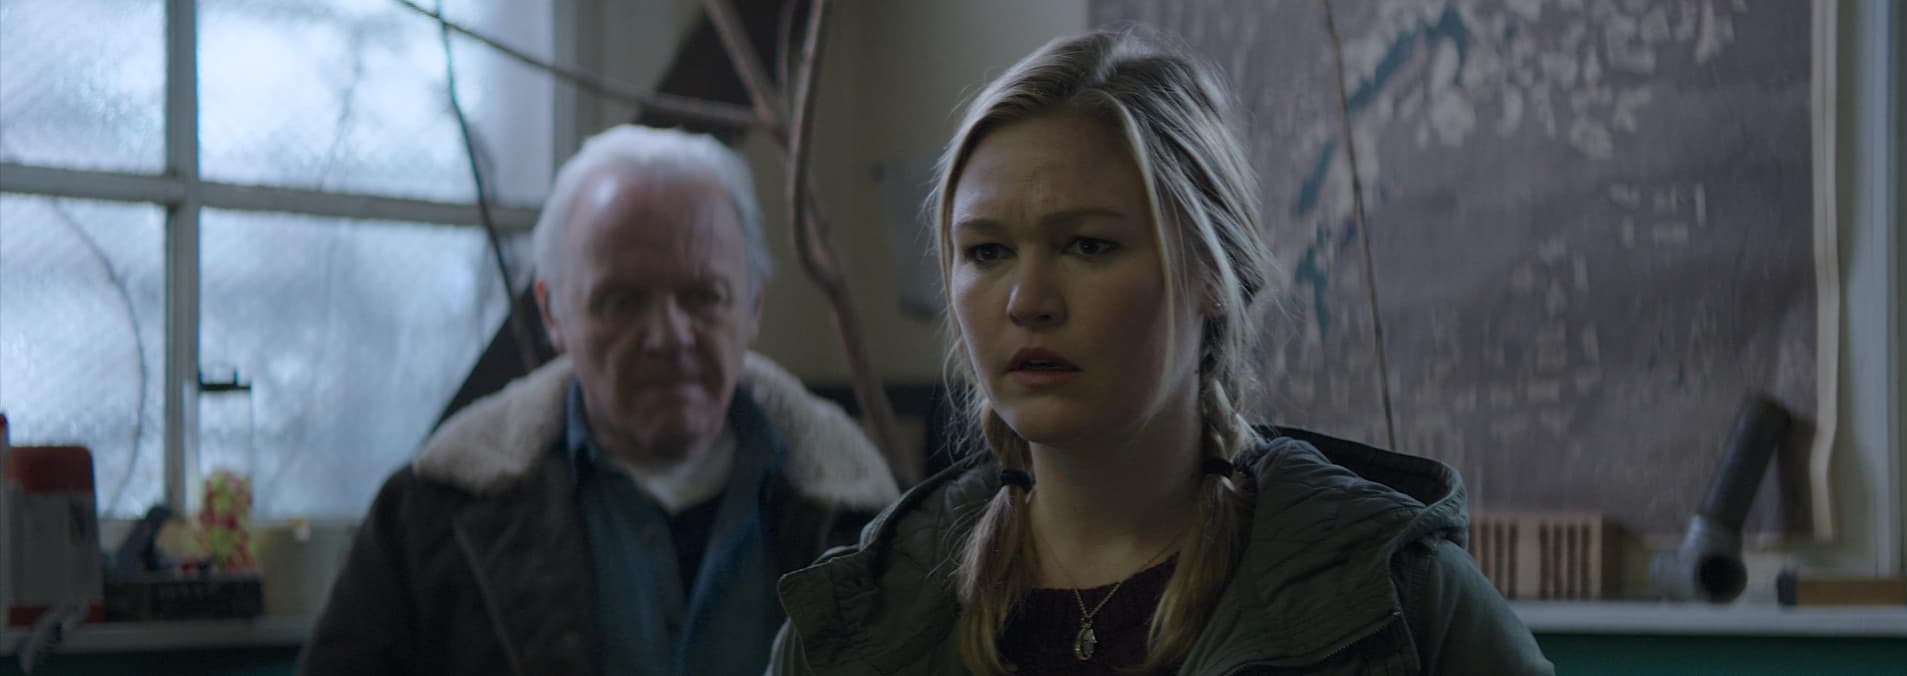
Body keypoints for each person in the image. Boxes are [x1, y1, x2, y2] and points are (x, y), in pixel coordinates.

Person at [766, 30, 1554, 675]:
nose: (1027, 300)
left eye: (1087, 245)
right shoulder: (858, 624)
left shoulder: (1394, 595)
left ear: (1209, 271)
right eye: (988, 252)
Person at [298, 125, 900, 676]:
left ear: (754, 305)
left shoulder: (868, 520)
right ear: (552, 313)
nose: (667, 336)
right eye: (622, 301)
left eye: (703, 296)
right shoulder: (431, 515)